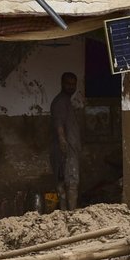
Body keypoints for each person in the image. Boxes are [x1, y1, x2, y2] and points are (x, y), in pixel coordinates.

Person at [50, 72, 83, 209]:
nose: (71, 87)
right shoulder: (61, 101)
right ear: (62, 84)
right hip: (66, 149)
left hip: (67, 149)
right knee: (72, 183)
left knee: (63, 182)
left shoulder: (65, 101)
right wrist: (63, 144)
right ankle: (72, 214)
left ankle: (64, 213)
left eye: (73, 84)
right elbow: (59, 124)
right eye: (68, 84)